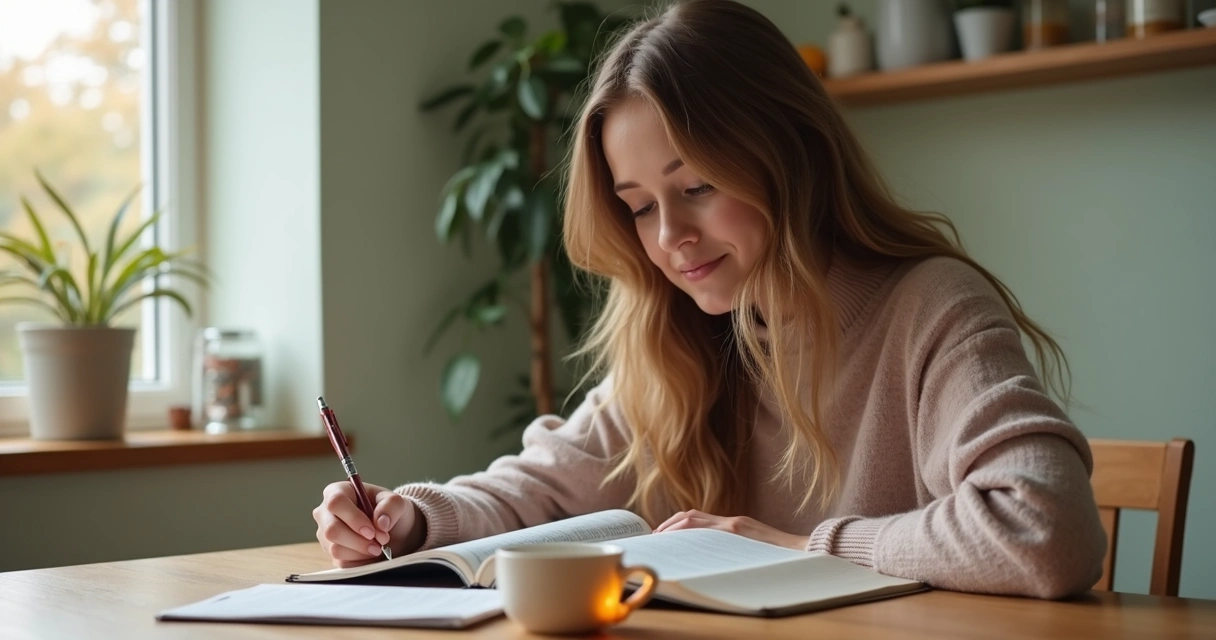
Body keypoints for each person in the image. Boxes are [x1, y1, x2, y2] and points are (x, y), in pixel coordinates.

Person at [312, 0, 1106, 599]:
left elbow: (1046, 530)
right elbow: (549, 486)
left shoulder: (930, 308)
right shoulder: (687, 333)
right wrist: (412, 518)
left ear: (790, 154)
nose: (670, 239)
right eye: (639, 206)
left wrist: (795, 546)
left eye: (696, 187)